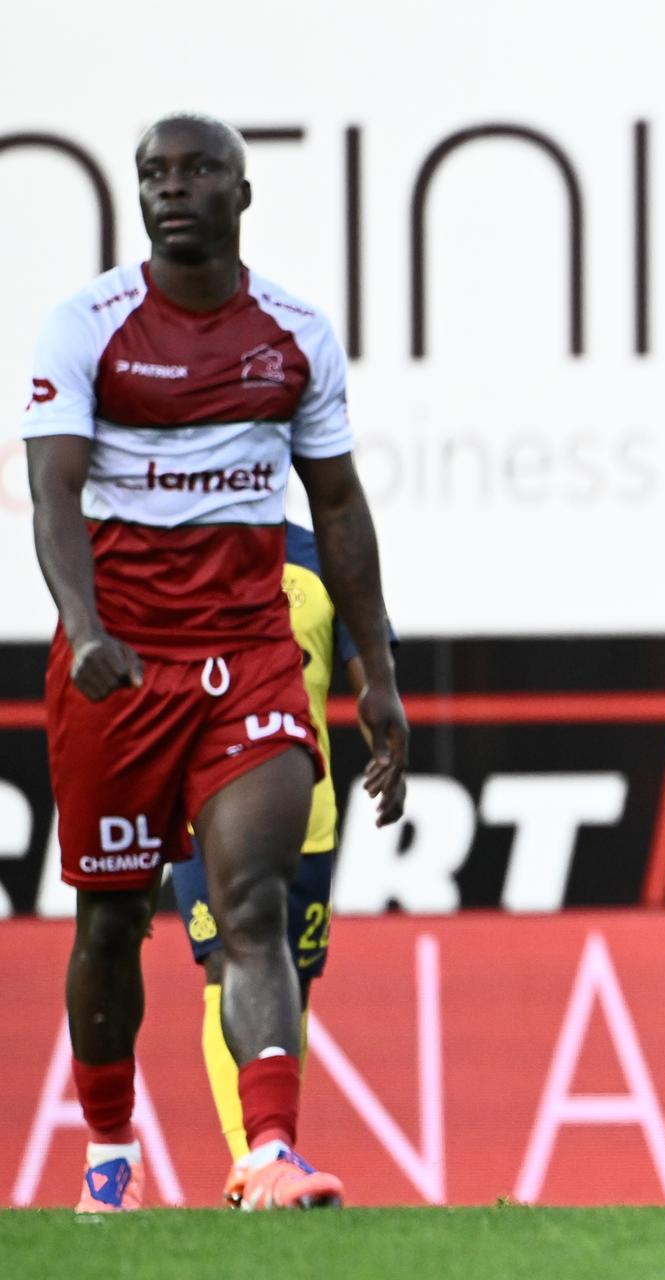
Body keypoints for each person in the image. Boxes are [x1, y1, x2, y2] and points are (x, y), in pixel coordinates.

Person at [23, 113, 407, 1213]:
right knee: (110, 918)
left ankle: (272, 1150)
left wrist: (376, 673)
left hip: (249, 653)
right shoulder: (84, 325)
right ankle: (108, 1154)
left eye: (197, 173)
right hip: (122, 667)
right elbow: (51, 494)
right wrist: (86, 624)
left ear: (242, 195)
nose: (171, 189)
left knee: (255, 908)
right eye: (153, 174)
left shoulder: (293, 333)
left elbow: (338, 510)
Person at [170, 522, 401, 1205]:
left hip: (307, 809)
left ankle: (272, 1157)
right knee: (227, 963)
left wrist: (385, 741)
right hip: (205, 800)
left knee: (288, 977)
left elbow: (367, 665)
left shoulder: (320, 555)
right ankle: (257, 1161)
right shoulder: (176, 550)